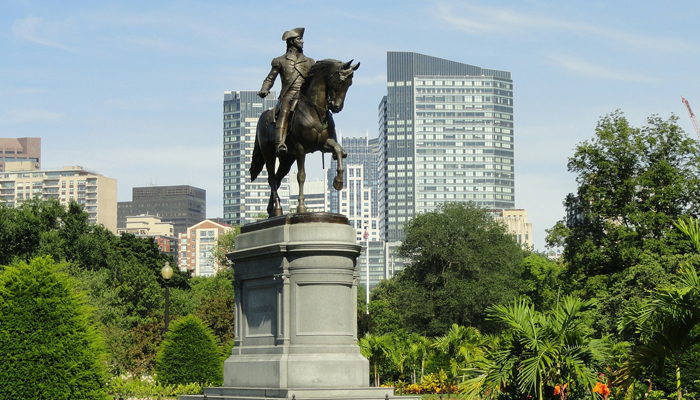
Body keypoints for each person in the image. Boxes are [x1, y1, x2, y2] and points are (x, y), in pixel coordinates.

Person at [258, 27, 315, 156]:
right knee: (284, 110)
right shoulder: (280, 61)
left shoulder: (310, 62)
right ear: (291, 42)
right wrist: (264, 89)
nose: (302, 41)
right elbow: (270, 78)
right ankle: (280, 143)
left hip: (305, 97)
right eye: (299, 39)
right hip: (289, 95)